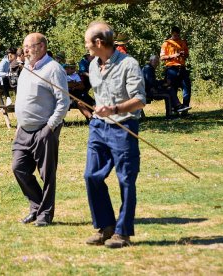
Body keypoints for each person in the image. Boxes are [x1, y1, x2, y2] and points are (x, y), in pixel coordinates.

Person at [83, 21, 146, 248]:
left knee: (126, 180)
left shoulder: (129, 64)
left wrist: (115, 109)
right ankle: (105, 227)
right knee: (92, 176)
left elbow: (139, 100)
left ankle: (122, 233)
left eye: (88, 42)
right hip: (98, 128)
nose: (86, 47)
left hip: (123, 127)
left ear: (99, 42)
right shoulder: (92, 66)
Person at [12, 33, 70, 227]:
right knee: (18, 168)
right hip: (24, 130)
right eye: (24, 46)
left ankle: (45, 214)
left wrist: (50, 126)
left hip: (44, 129)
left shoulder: (53, 69)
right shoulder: (26, 69)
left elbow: (64, 102)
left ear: (42, 47)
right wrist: (19, 124)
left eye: (30, 46)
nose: (26, 49)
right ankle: (36, 206)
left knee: (47, 175)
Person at [160, 26, 191, 115]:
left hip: (182, 68)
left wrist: (184, 54)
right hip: (171, 69)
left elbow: (186, 55)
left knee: (187, 88)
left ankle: (185, 108)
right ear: (172, 34)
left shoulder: (182, 42)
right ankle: (174, 109)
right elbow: (162, 57)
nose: (176, 37)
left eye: (178, 35)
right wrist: (174, 55)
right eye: (175, 35)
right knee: (173, 89)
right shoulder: (166, 43)